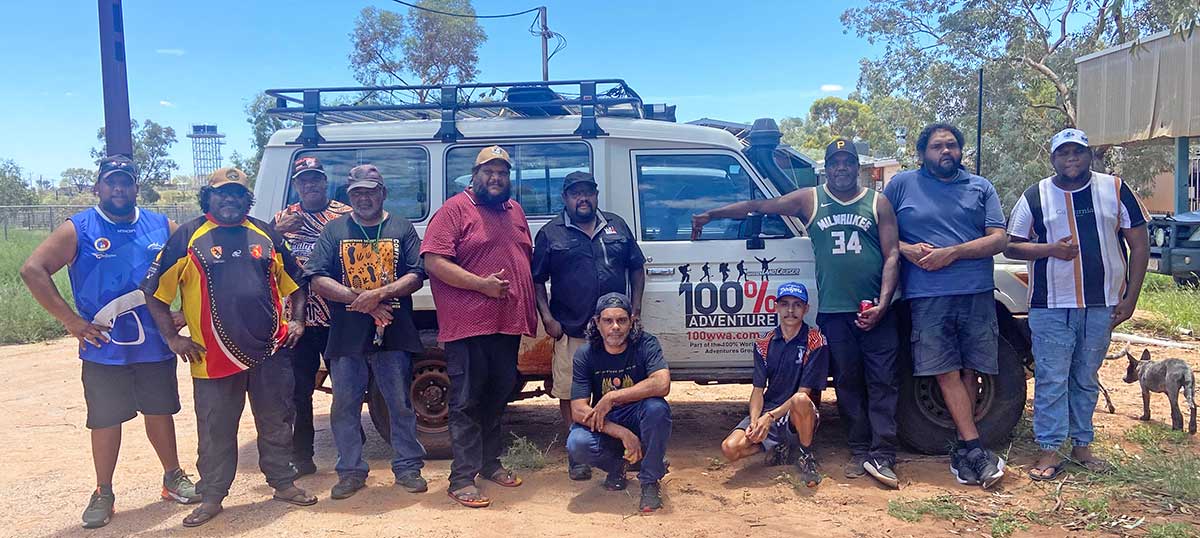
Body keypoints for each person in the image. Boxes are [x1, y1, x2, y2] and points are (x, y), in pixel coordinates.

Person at [693, 138, 902, 488]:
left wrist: (882, 303)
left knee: (883, 382)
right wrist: (713, 214)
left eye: (847, 162)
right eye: (834, 162)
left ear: (857, 166)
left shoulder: (878, 202)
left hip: (876, 310)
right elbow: (760, 206)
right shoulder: (811, 199)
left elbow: (892, 254)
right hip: (836, 314)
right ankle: (859, 450)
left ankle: (884, 454)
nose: (841, 168)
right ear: (826, 167)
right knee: (848, 385)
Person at [20, 155, 199, 529]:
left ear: (136, 187)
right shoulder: (79, 228)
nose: (119, 189)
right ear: (98, 187)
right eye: (112, 182)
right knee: (105, 420)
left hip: (154, 344)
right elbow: (32, 269)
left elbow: (197, 264)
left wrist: (182, 313)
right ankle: (103, 491)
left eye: (126, 182)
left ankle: (172, 478)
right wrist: (71, 321)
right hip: (105, 347)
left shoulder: (161, 224)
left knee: (160, 411)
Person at [141, 167, 317, 527]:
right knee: (216, 427)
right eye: (223, 193)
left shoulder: (265, 234)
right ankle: (212, 496)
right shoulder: (188, 236)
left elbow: (297, 283)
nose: (230, 200)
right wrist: (173, 339)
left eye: (238, 194)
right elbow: (154, 292)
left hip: (270, 351)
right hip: (211, 357)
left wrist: (297, 320)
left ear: (246, 200)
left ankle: (283, 483)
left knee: (277, 420)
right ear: (209, 197)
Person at [1005, 128, 1150, 480]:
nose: (1071, 158)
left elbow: (1139, 243)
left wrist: (1130, 296)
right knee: (1052, 377)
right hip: (1050, 304)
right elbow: (1012, 246)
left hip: (1101, 304)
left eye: (1078, 152)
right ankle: (1049, 450)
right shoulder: (1035, 195)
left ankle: (1082, 446)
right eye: (1063, 153)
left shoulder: (1115, 189)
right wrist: (1050, 250)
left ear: (1090, 155)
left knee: (1085, 376)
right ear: (1053, 158)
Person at [882, 123, 1009, 489]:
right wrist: (907, 249)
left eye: (952, 145)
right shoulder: (902, 185)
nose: (945, 151)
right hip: (926, 294)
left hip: (976, 291)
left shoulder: (980, 187)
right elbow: (881, 231)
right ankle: (973, 446)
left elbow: (999, 238)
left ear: (960, 150)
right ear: (923, 153)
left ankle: (963, 448)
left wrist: (952, 253)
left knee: (972, 369)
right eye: (937, 146)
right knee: (944, 370)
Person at [420, 146, 538, 508]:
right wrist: (480, 285)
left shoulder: (513, 210)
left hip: (506, 326)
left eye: (502, 172)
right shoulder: (455, 210)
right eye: (489, 172)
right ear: (475, 175)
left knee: (496, 396)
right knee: (466, 401)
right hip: (468, 325)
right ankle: (461, 478)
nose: (496, 178)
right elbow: (434, 261)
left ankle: (489, 464)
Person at [305, 164, 428, 498]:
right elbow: (316, 277)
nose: (363, 198)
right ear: (349, 196)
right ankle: (350, 471)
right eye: (357, 192)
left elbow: (417, 273)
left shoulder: (402, 228)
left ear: (383, 193)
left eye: (370, 191)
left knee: (399, 403)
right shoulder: (334, 231)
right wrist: (362, 300)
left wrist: (381, 294)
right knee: (345, 405)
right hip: (346, 335)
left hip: (394, 332)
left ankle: (407, 467)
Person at [532, 170, 646, 481]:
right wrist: (547, 318)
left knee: (622, 390)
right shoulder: (550, 234)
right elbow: (537, 281)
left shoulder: (616, 225)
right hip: (572, 330)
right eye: (575, 193)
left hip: (616, 332)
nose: (583, 198)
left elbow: (637, 268)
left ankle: (622, 448)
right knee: (570, 394)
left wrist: (634, 309)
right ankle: (577, 454)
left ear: (596, 195)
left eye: (588, 192)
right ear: (565, 198)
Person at [271, 156, 352, 475]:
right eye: (304, 180)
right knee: (297, 391)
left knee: (347, 389)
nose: (310, 185)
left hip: (339, 317)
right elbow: (264, 256)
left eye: (316, 179)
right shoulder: (282, 218)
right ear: (296, 185)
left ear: (325, 182)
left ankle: (351, 454)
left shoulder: (343, 215)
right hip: (298, 321)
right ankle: (302, 457)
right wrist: (276, 232)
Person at [565, 293, 671, 513]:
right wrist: (623, 433)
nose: (615, 327)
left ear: (631, 322)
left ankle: (650, 482)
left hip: (639, 414)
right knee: (577, 443)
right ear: (597, 323)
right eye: (608, 321)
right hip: (610, 422)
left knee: (657, 409)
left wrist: (612, 396)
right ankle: (618, 467)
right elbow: (577, 410)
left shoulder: (645, 343)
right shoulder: (585, 354)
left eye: (622, 320)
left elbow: (662, 384)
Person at [719, 283, 830, 488]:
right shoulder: (764, 342)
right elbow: (758, 389)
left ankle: (805, 455)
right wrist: (755, 421)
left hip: (797, 413)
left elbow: (804, 392)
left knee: (800, 400)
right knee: (730, 448)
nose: (790, 310)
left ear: (806, 309)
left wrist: (769, 418)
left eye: (797, 305)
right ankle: (779, 447)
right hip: (770, 409)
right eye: (785, 304)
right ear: (776, 307)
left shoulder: (816, 341)